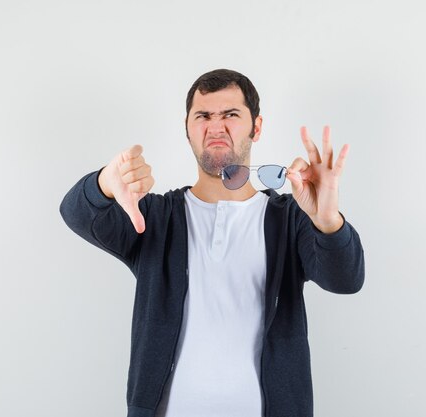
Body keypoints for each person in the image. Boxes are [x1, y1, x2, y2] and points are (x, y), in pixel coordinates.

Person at [60, 68, 365, 417]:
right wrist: (104, 183)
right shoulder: (156, 218)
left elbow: (346, 279)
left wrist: (327, 219)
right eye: (203, 115)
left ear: (257, 127)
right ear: (187, 130)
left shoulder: (290, 218)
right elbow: (76, 213)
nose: (216, 127)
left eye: (231, 115)